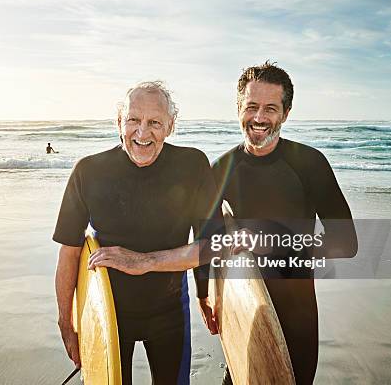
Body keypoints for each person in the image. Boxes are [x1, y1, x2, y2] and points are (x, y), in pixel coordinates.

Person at [90, 63, 357, 385]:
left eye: (270, 108)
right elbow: (207, 237)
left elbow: (346, 243)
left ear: (285, 113)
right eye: (251, 107)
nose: (259, 118)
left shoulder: (309, 164)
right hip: (241, 312)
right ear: (239, 109)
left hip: (297, 315)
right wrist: (205, 295)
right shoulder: (222, 168)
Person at [54, 81, 219, 385]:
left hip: (170, 311)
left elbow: (211, 246)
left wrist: (148, 263)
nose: (142, 133)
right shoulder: (88, 172)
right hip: (107, 313)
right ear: (119, 123)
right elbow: (70, 251)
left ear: (170, 126)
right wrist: (67, 323)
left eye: (155, 122)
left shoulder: (192, 165)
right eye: (133, 120)